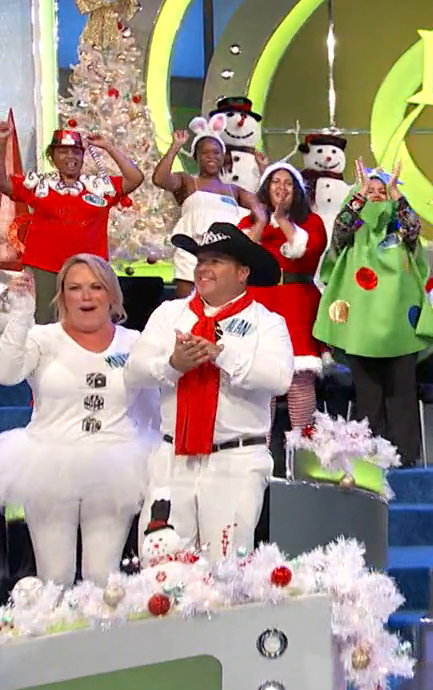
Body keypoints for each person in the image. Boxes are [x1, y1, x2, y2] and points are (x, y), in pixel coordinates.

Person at [124, 222, 292, 560]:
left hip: (236, 460)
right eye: (201, 260)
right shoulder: (169, 313)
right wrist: (174, 364)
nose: (203, 268)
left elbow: (279, 379)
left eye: (215, 261)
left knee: (226, 570)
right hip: (172, 459)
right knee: (160, 566)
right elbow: (133, 372)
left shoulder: (267, 322)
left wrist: (221, 354)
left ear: (242, 272)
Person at [0, 255, 159, 586]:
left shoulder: (134, 342)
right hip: (48, 464)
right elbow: (7, 373)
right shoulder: (42, 338)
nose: (86, 296)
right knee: (55, 576)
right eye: (75, 288)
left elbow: (151, 410)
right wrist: (20, 316)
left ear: (111, 294)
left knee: (102, 577)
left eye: (96, 287)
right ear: (62, 295)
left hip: (115, 465)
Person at [312, 160, 433, 466]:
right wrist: (359, 194)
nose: (375, 194)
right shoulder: (353, 232)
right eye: (369, 189)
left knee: (402, 397)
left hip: (400, 327)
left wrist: (396, 193)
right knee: (368, 397)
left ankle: (404, 460)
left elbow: (414, 227)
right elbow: (339, 230)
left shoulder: (400, 230)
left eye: (380, 190)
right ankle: (368, 460)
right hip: (361, 327)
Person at [0, 123, 143, 324]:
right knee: (45, 323)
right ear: (52, 156)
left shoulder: (99, 187)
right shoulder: (39, 185)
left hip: (89, 268)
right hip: (44, 268)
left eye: (76, 152)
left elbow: (135, 178)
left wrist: (108, 147)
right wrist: (2, 141)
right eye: (63, 151)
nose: (70, 157)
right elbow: (3, 183)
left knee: (88, 322)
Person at [241, 162, 327, 431]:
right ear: (266, 188)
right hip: (259, 302)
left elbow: (305, 250)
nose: (281, 187)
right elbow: (241, 253)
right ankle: (258, 447)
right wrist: (262, 222)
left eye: (288, 183)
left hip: (298, 303)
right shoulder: (249, 222)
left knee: (299, 378)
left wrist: (282, 221)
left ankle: (304, 446)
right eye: (275, 182)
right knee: (262, 379)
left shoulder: (312, 222)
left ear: (297, 190)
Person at [153, 120, 265, 299]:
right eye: (204, 153)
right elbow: (160, 179)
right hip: (192, 256)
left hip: (224, 259)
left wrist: (263, 169)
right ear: (196, 156)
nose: (211, 157)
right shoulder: (187, 182)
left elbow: (264, 203)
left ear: (223, 157)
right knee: (187, 307)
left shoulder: (234, 190)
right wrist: (175, 147)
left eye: (216, 152)